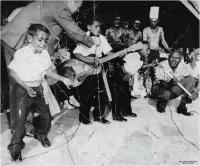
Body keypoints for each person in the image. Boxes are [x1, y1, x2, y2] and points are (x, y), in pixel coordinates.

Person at [1, 0, 98, 131]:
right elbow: (73, 31)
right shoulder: (61, 6)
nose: (76, 11)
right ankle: (22, 126)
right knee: (24, 86)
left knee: (18, 86)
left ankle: (21, 124)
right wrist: (94, 42)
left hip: (11, 38)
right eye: (78, 7)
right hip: (19, 43)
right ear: (71, 1)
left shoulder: (50, 2)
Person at [7, 24, 73, 161]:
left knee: (46, 117)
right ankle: (15, 147)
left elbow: (48, 71)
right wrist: (25, 87)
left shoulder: (44, 53)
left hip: (38, 89)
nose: (43, 43)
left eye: (45, 40)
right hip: (22, 90)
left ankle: (40, 134)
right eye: (40, 39)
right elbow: (13, 72)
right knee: (19, 122)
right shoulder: (22, 53)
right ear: (29, 38)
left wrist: (63, 79)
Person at [151, 49, 199, 115]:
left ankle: (182, 106)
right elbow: (159, 81)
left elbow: (195, 76)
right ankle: (161, 101)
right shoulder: (162, 65)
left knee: (191, 79)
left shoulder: (182, 66)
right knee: (165, 93)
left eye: (177, 58)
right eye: (172, 57)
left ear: (180, 59)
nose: (174, 60)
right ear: (169, 57)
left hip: (173, 89)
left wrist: (195, 91)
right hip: (161, 88)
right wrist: (172, 80)